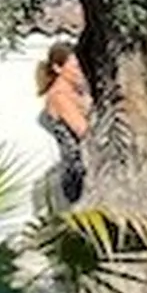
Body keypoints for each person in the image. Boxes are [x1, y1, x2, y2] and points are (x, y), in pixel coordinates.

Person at [35, 40, 91, 206]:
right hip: (78, 174)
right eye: (75, 67)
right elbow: (83, 130)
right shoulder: (59, 95)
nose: (80, 72)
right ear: (58, 68)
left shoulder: (76, 93)